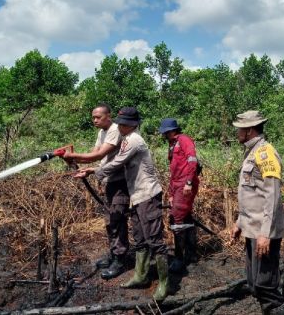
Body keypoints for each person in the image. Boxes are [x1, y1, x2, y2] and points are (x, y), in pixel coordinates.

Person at [75, 107, 169, 301]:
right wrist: (89, 168)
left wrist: (92, 171)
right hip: (136, 195)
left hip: (147, 194)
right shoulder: (126, 139)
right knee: (140, 238)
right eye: (120, 122)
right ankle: (140, 276)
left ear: (133, 124)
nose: (120, 126)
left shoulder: (134, 140)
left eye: (124, 123)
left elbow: (116, 163)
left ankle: (165, 284)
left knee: (154, 241)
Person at [230, 110, 284, 315]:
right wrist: (240, 222)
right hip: (252, 228)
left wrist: (265, 233)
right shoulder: (251, 152)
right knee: (254, 283)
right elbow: (251, 194)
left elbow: (272, 196)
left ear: (249, 131)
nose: (237, 132)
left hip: (264, 232)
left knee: (266, 286)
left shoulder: (265, 154)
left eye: (240, 129)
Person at [62, 104, 129, 280]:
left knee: (117, 219)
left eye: (98, 117)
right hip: (109, 181)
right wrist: (80, 164)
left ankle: (120, 260)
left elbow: (98, 156)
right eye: (93, 117)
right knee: (109, 220)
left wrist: (73, 156)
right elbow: (95, 152)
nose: (94, 120)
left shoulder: (115, 130)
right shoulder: (102, 132)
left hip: (120, 182)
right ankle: (114, 254)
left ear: (109, 116)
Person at [158, 118, 199, 273]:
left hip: (185, 183)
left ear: (171, 130)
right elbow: (173, 171)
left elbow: (192, 160)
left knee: (176, 218)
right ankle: (191, 255)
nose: (164, 135)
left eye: (165, 132)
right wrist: (171, 192)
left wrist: (188, 182)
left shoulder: (184, 140)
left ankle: (179, 259)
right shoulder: (172, 144)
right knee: (186, 217)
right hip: (177, 184)